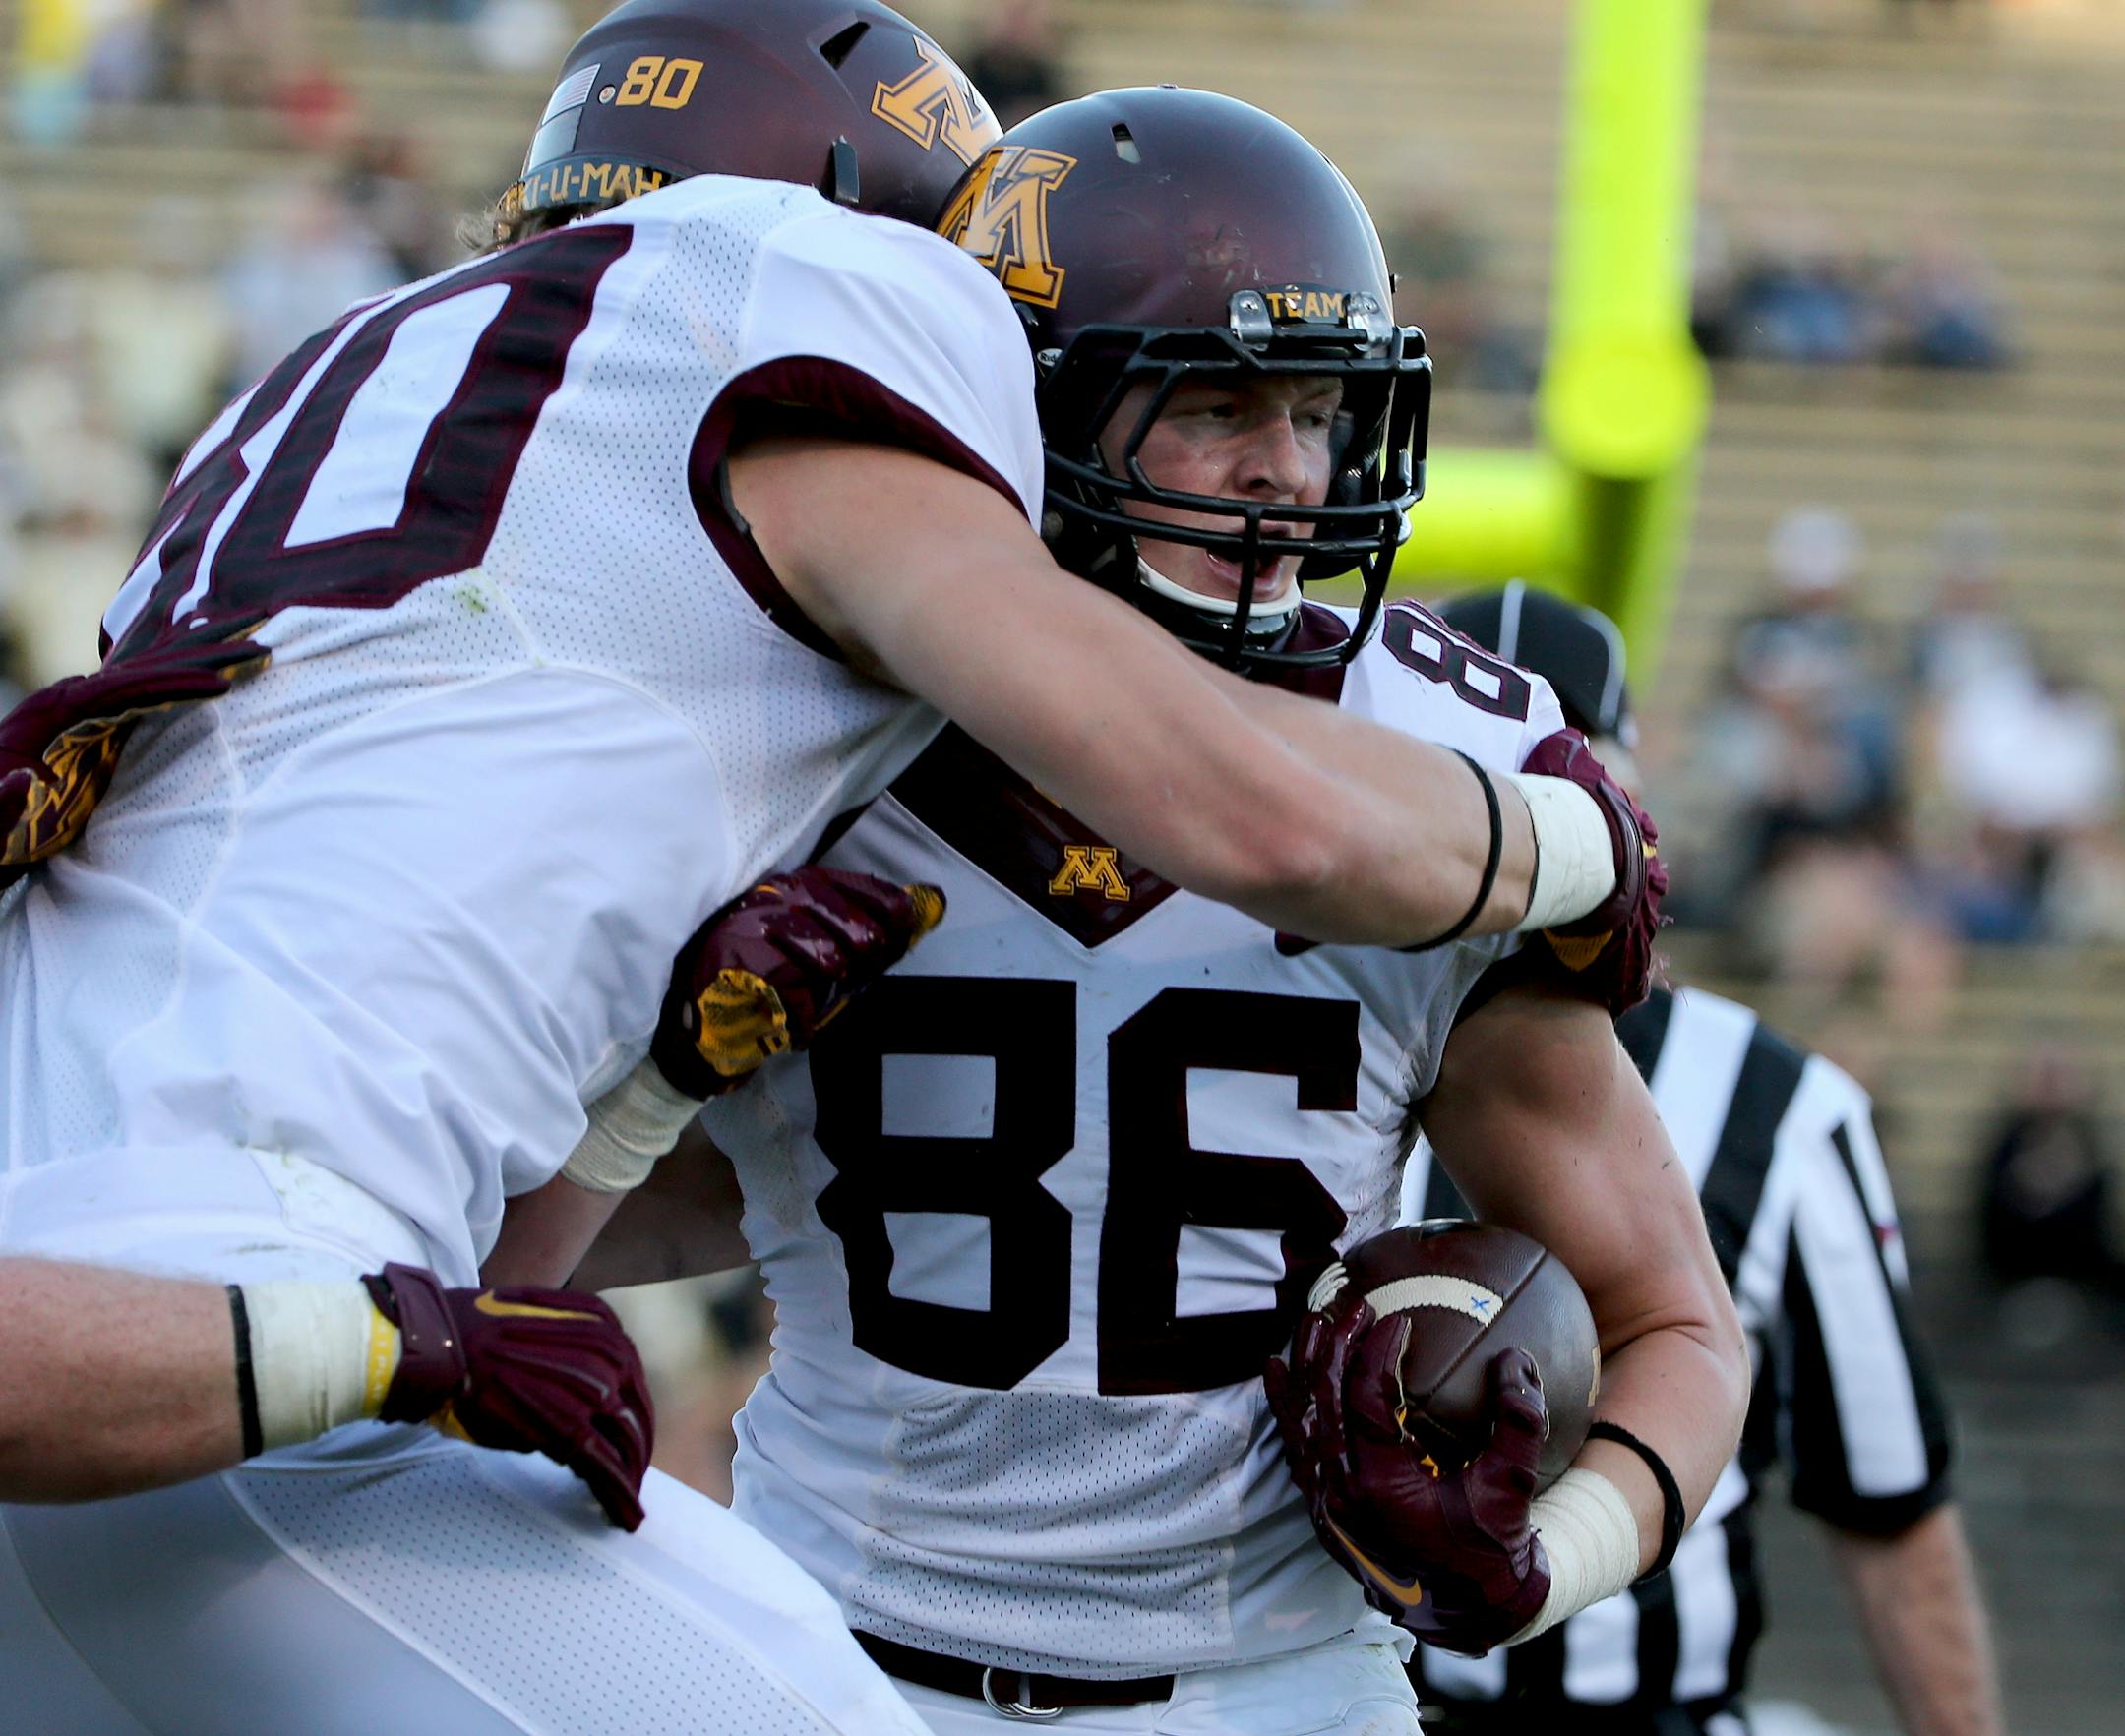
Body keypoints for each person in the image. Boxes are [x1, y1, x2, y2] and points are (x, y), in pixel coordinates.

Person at [0, 2, 1646, 1728]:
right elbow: (1267, 821)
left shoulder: (349, 372)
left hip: (89, 1336)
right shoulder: (784, 294)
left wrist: (638, 1093)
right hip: (256, 1364)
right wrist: (1574, 836)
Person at [539, 89, 1748, 1736]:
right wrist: (657, 1084)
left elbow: (1678, 1320)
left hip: (1271, 1692)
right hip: (829, 1668)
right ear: (1031, 412)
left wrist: (1547, 1557)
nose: (1287, 470)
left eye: (1320, 407)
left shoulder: (1442, 768)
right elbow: (534, 1237)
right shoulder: (801, 735)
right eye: (1219, 404)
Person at [1401, 582, 2002, 1736]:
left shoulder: (1777, 1105)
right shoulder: (1313, 1045)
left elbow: (1886, 1503)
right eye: (1483, 779)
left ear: (1625, 799)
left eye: (1556, 773)